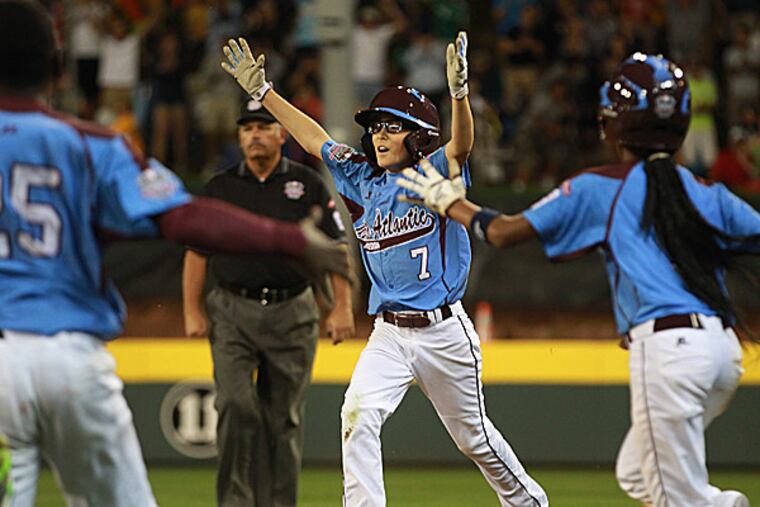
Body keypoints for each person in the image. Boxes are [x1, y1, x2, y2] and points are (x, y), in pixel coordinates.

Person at [0, 1, 349, 506]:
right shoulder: (92, 145)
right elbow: (183, 218)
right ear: (58, 66)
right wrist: (291, 239)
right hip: (69, 357)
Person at [397, 53, 760, 507]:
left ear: (611, 123)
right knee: (636, 472)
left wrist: (448, 200)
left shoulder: (599, 187)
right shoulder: (708, 191)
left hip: (669, 351)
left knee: (675, 499)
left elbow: (503, 232)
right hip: (724, 354)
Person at [222, 33, 549, 507]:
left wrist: (459, 96)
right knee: (357, 414)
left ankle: (528, 502)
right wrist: (264, 93)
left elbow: (461, 144)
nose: (379, 134)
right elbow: (315, 139)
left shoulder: (436, 170)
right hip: (390, 332)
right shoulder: (360, 175)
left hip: (444, 331)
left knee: (473, 439)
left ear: (417, 136)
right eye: (376, 126)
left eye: (393, 127)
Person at [182, 99, 354, 507]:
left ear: (282, 134)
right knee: (235, 405)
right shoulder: (220, 187)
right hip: (232, 311)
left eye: (263, 126)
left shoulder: (307, 184)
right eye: (247, 128)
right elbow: (196, 252)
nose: (254, 134)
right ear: (239, 138)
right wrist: (192, 309)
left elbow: (337, 246)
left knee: (283, 420)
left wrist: (341, 305)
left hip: (292, 312)